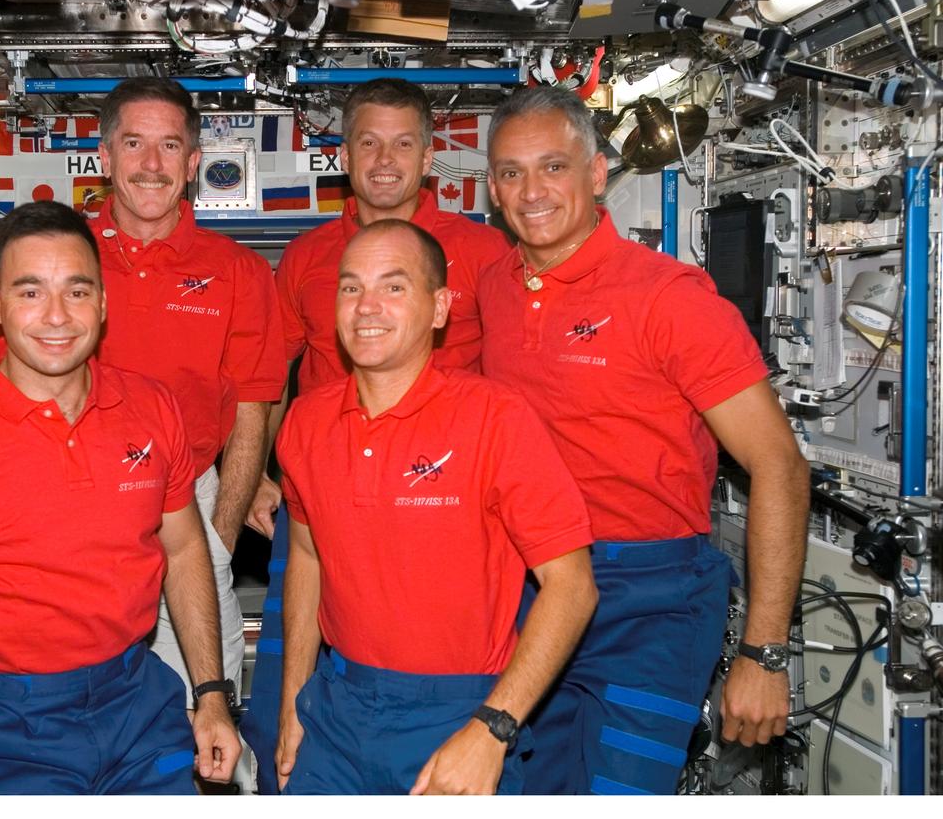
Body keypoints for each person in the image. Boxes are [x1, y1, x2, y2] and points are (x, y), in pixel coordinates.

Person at [0, 201, 241, 794]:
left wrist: (210, 694)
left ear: (103, 304)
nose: (57, 316)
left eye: (77, 291)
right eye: (30, 293)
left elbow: (184, 550)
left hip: (137, 703)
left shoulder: (153, 409)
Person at [478, 86, 810, 795]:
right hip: (532, 589)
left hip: (651, 600)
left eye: (553, 167)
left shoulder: (669, 297)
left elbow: (777, 461)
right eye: (510, 172)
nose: (530, 191)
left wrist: (765, 649)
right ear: (492, 186)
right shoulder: (494, 288)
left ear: (597, 173)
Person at [240, 80, 511, 791]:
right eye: (367, 141)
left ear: (429, 156)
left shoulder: (484, 253)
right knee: (284, 715)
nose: (384, 159)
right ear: (343, 154)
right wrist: (260, 476)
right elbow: (274, 373)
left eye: (402, 143)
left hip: (444, 515)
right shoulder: (304, 256)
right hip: (324, 501)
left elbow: (520, 374)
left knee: (449, 712)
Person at [273, 219, 597, 795]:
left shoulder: (495, 417)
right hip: (336, 711)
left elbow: (572, 587)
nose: (366, 306)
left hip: (458, 713)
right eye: (350, 288)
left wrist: (493, 729)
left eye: (393, 287)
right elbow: (306, 557)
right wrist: (294, 703)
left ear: (440, 308)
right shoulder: (305, 421)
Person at [89, 78, 286, 713]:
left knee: (206, 714)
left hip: (192, 501)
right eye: (134, 144)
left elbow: (253, 407)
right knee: (85, 711)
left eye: (169, 146)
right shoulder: (60, 259)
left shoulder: (240, 272)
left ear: (193, 163)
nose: (151, 165)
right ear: (105, 157)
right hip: (75, 503)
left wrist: (221, 542)